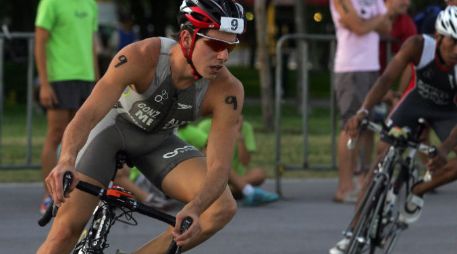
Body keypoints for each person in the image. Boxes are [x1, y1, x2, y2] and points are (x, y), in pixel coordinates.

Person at [37, 0, 246, 253]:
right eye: (215, 44)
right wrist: (67, 159)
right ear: (187, 38)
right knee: (64, 233)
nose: (223, 56)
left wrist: (196, 206)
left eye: (230, 47)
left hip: (158, 142)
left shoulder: (228, 90)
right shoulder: (142, 56)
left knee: (221, 208)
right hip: (111, 132)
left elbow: (219, 167)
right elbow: (88, 114)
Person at [330, 6, 457, 253]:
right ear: (439, 36)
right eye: (453, 42)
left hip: (446, 112)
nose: (456, 51)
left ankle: (418, 190)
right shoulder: (418, 45)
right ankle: (350, 232)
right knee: (381, 157)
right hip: (416, 102)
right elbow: (386, 79)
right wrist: (363, 111)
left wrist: (444, 149)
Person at [34, 0, 99, 214]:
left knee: (81, 137)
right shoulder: (51, 3)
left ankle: (74, 194)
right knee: (56, 135)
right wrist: (44, 83)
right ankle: (48, 196)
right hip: (59, 77)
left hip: (85, 77)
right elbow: (40, 42)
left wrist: (98, 81)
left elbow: (91, 44)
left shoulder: (90, 4)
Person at [329, 0, 393, 203]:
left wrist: (369, 22)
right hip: (351, 68)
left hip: (371, 66)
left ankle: (362, 178)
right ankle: (344, 186)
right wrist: (379, 18)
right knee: (351, 124)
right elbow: (358, 28)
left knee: (367, 125)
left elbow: (387, 27)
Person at [197, 116, 279, 206]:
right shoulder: (205, 126)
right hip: (213, 173)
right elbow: (205, 155)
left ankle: (231, 189)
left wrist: (238, 137)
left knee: (259, 174)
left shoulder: (246, 127)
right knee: (221, 165)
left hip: (235, 176)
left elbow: (245, 162)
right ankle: (247, 190)